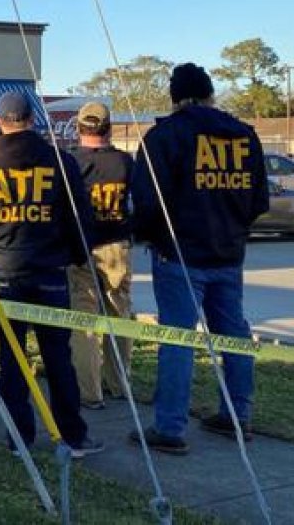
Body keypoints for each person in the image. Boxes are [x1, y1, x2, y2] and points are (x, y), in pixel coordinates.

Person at [130, 63, 270, 455]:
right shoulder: (245, 136)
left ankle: (170, 427)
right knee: (235, 336)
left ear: (176, 98)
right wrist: (231, 227)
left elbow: (146, 202)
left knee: (177, 338)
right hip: (229, 253)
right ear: (210, 93)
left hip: (179, 256)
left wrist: (154, 237)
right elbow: (259, 200)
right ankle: (236, 415)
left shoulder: (165, 136)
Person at [0, 91, 103, 457]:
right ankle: (72, 435)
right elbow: (80, 220)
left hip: (5, 275)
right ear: (33, 120)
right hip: (51, 273)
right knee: (58, 358)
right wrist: (70, 256)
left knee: (13, 359)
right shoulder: (59, 162)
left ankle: (19, 440)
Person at [66, 101, 134, 410]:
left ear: (80, 127)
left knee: (84, 323)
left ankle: (89, 391)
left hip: (80, 247)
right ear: (108, 128)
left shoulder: (70, 163)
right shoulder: (124, 162)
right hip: (116, 246)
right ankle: (119, 384)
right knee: (119, 317)